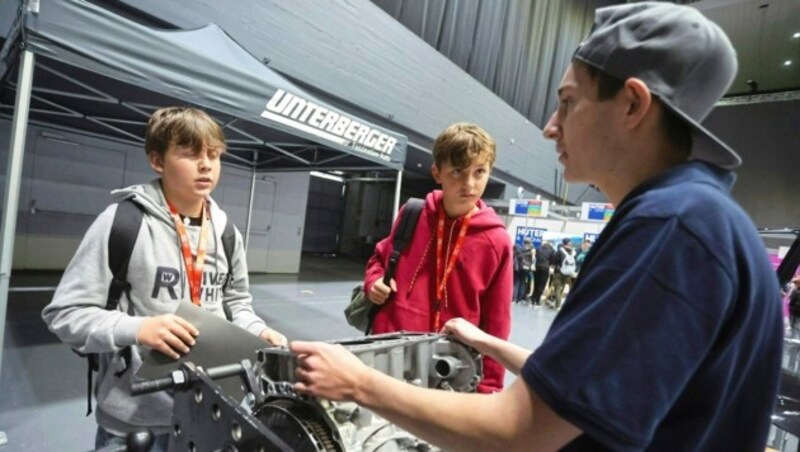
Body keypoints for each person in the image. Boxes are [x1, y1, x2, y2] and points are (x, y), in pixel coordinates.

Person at [289, 3, 783, 450]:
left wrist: (356, 382)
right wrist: (488, 344)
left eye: (568, 102)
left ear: (632, 104)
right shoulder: (695, 217)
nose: (550, 126)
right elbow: (588, 390)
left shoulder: (672, 229)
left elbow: (522, 432)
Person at [42, 106, 287, 451]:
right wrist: (139, 329)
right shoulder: (123, 223)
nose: (206, 165)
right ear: (158, 161)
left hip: (210, 412)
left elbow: (236, 304)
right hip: (133, 420)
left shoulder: (227, 233)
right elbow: (65, 314)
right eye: (190, 154)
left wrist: (259, 331)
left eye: (214, 155)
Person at [363, 122, 513, 393]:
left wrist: (488, 389)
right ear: (437, 172)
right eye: (457, 171)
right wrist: (374, 282)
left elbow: (497, 321)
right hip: (390, 354)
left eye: (479, 172)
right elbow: (379, 260)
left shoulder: (496, 241)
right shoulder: (412, 214)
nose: (469, 184)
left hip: (450, 368)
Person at [531, 239, 554, 306]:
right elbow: (552, 261)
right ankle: (537, 301)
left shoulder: (538, 249)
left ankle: (533, 299)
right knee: (542, 285)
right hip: (545, 268)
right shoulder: (552, 251)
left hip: (537, 267)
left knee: (536, 284)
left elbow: (536, 257)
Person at [513, 237, 535, 304]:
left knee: (516, 282)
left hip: (519, 267)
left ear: (524, 242)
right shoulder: (532, 250)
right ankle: (519, 300)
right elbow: (533, 260)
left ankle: (514, 299)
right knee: (523, 283)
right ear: (530, 243)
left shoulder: (520, 248)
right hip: (526, 268)